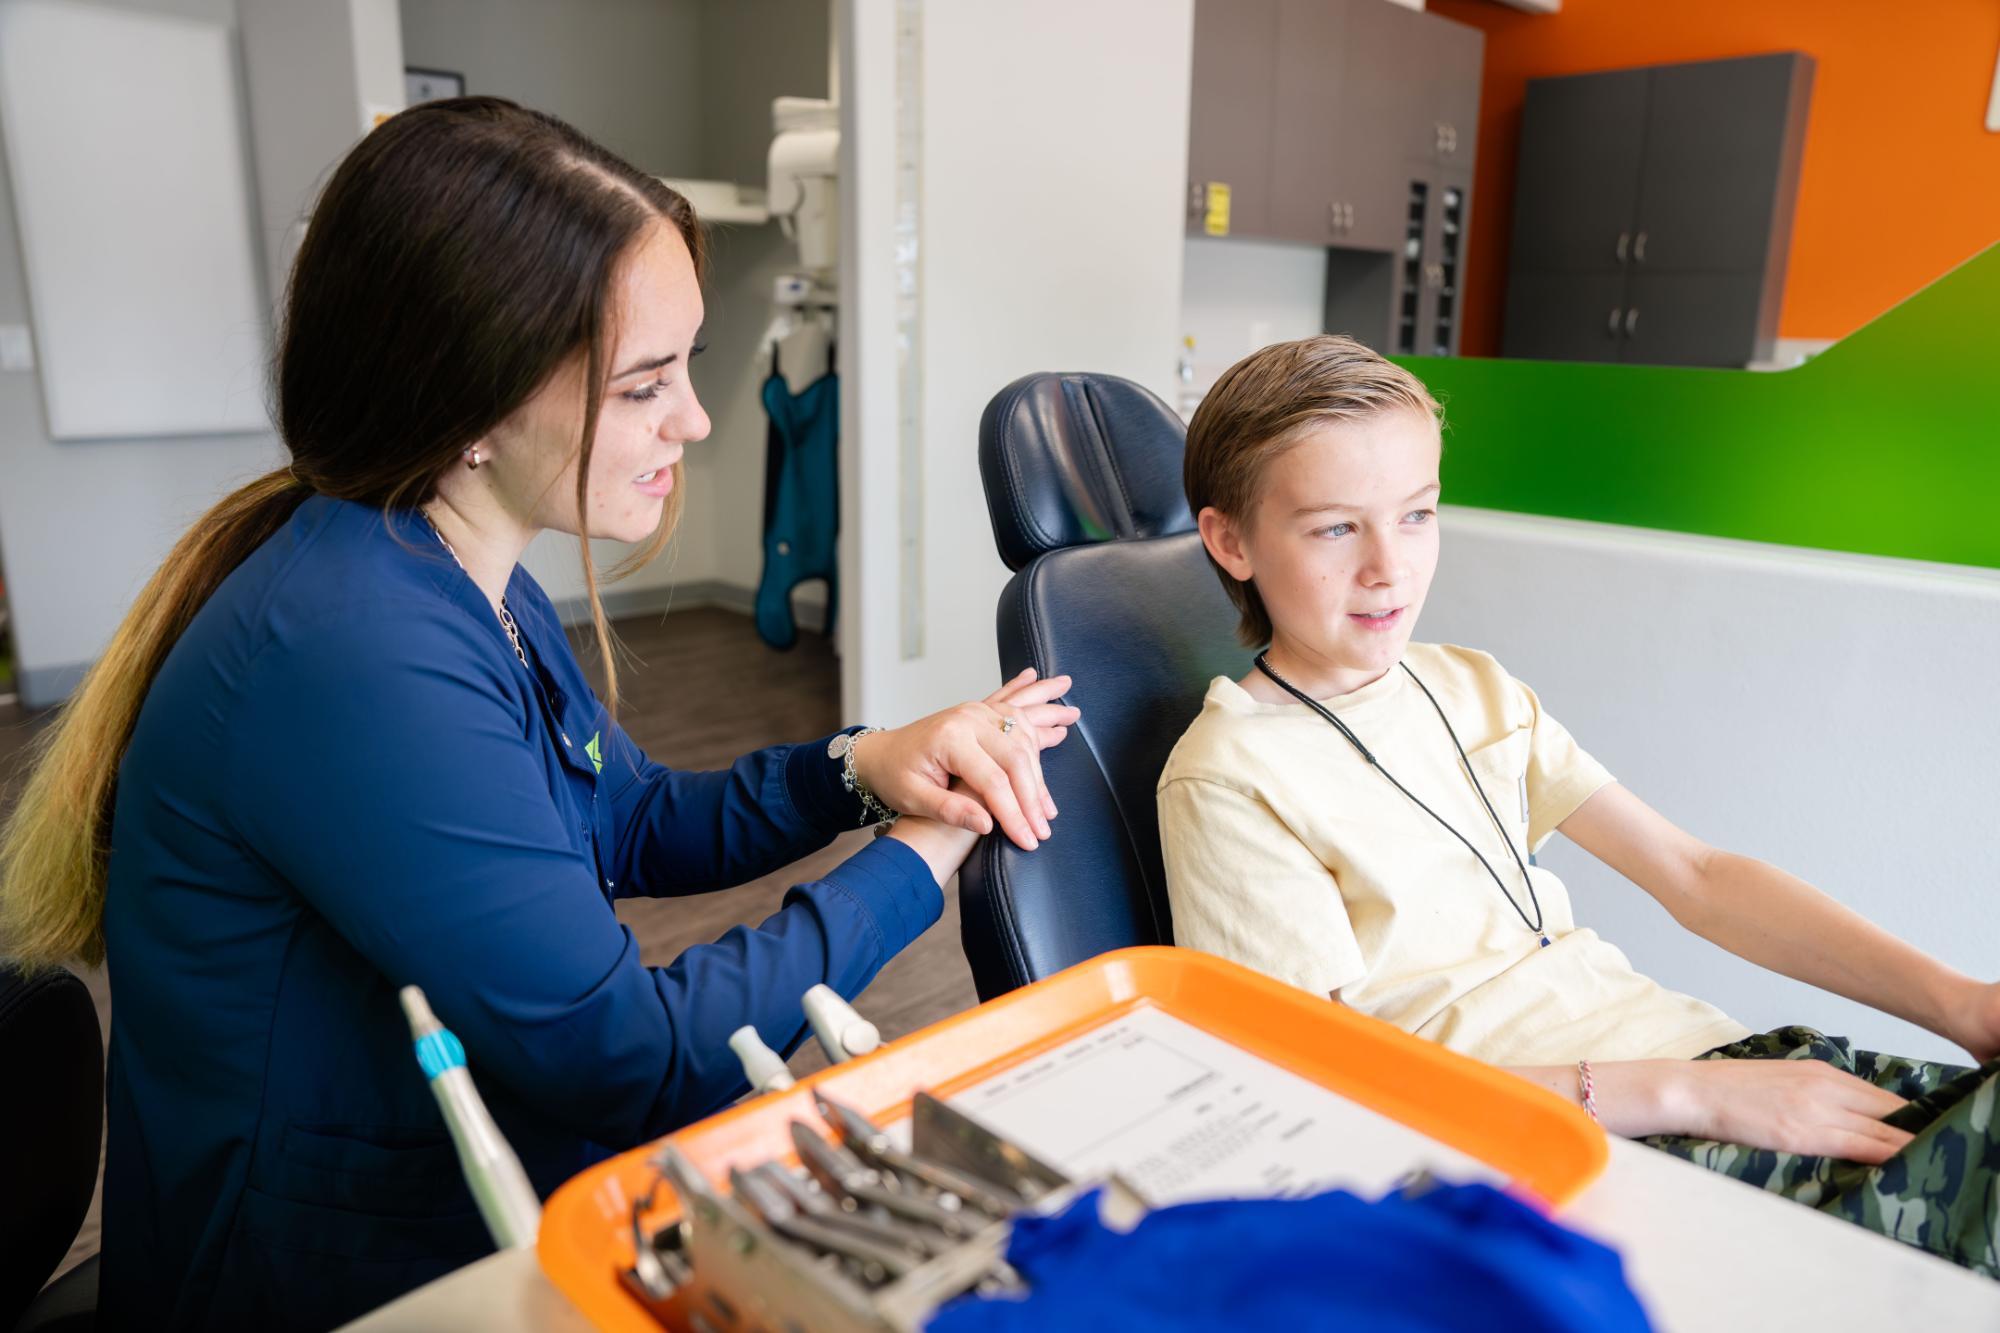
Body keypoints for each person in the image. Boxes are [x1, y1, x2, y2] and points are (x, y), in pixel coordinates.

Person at [0, 99, 1079, 1331]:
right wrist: (917, 856)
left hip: (439, 1191)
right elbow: (632, 1057)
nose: (697, 419)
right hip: (310, 1280)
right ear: (467, 407)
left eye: (685, 366)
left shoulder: (457, 568)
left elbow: (628, 819)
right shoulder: (352, 649)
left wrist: (865, 765)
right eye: (643, 385)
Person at [1158, 334, 2000, 1275]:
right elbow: (1324, 1084)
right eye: (1333, 529)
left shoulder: (1469, 684)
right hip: (1589, 1147)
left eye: (1418, 514)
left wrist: (1962, 1004)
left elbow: (1698, 877)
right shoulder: (1230, 775)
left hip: (1727, 1064)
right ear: (1231, 539)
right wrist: (1695, 1100)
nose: (1390, 567)